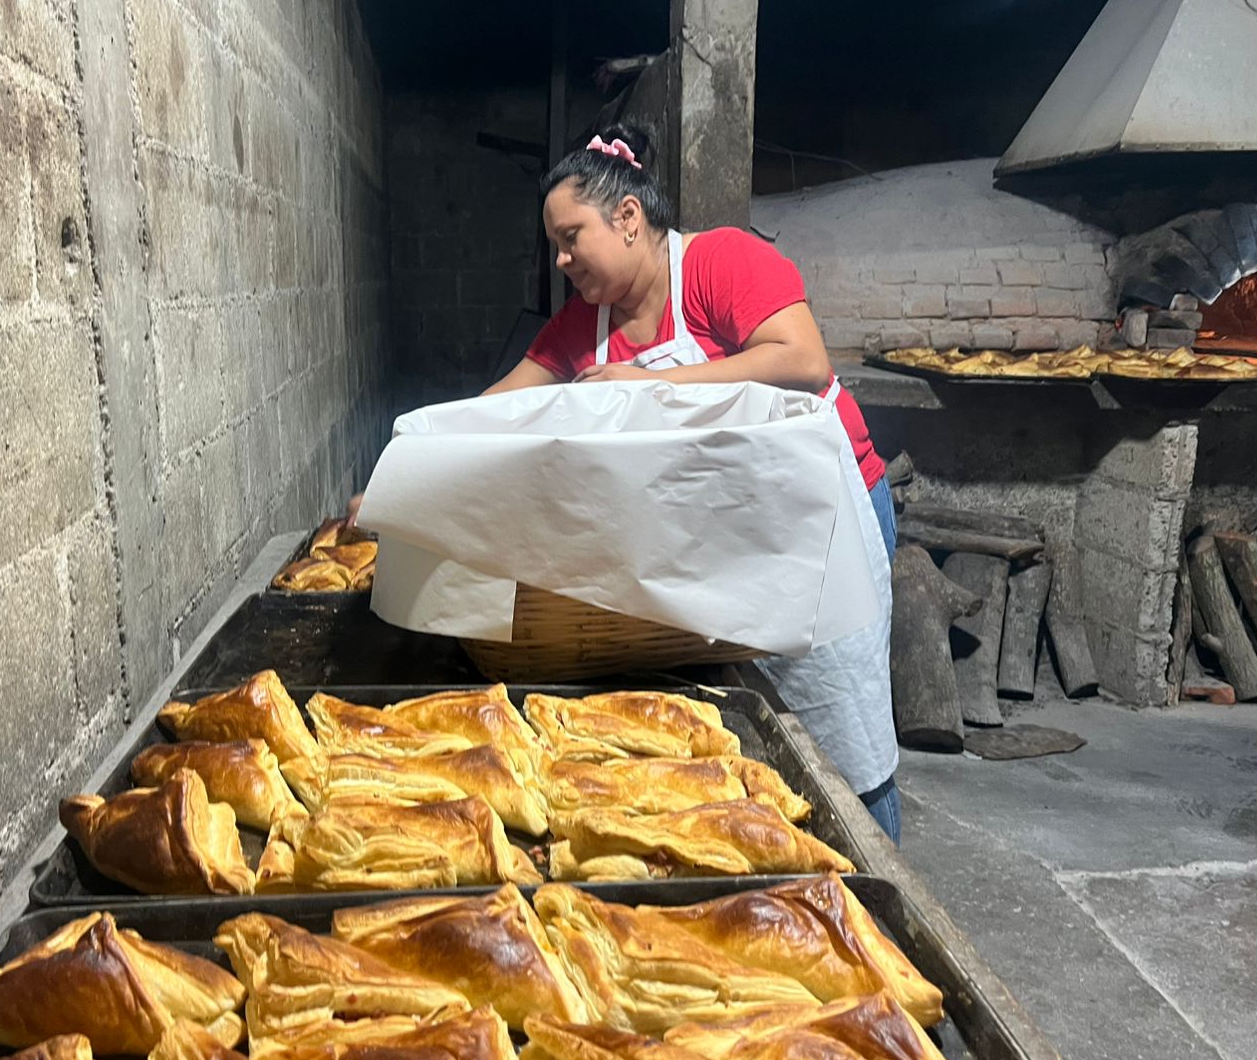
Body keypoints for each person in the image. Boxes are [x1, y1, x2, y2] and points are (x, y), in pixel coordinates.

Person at [360, 124, 901, 842]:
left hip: (823, 523)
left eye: (570, 236)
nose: (560, 259)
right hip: (722, 547)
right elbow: (496, 410)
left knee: (840, 732)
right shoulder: (582, 327)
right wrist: (405, 485)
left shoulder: (720, 263)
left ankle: (878, 890)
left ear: (628, 217)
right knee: (754, 749)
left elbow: (801, 360)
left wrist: (647, 385)